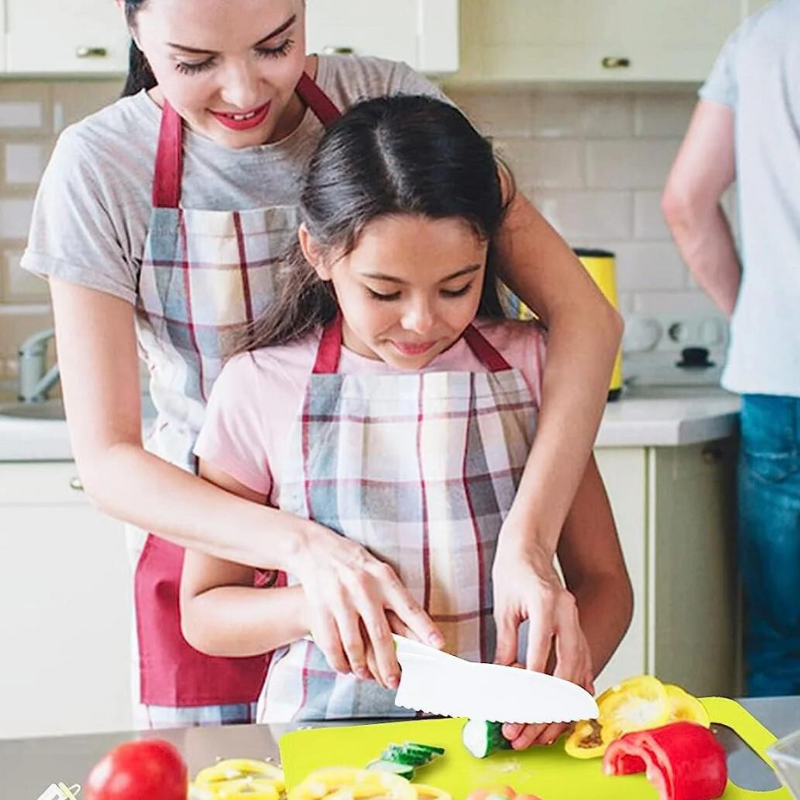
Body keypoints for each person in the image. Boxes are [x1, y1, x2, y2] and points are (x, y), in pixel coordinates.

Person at [22, 0, 622, 731]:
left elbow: (585, 320)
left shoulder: (387, 105)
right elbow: (110, 456)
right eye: (194, 63)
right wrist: (308, 554)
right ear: (134, 30)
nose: (244, 92)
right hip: (211, 544)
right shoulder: (101, 166)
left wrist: (526, 543)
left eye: (276, 45)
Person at [181, 95, 633, 745]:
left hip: (503, 744)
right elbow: (205, 611)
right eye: (384, 292)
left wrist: (558, 678)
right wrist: (309, 608)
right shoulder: (260, 386)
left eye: (457, 285)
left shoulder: (535, 370)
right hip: (326, 740)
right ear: (317, 252)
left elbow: (605, 580)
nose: (423, 321)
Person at [662, 0, 800, 696]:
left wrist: (760, 316)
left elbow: (686, 201)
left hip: (784, 372)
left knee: (784, 639)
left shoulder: (766, 36)